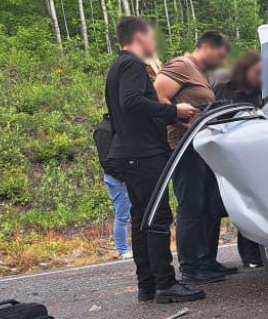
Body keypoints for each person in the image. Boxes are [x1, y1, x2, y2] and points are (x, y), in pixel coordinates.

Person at [103, 16, 203, 303]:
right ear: (139, 37)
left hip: (128, 154)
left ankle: (147, 285)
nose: (154, 42)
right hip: (144, 154)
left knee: (141, 219)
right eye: (151, 36)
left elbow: (126, 103)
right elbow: (131, 101)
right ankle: (165, 284)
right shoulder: (132, 65)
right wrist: (174, 112)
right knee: (158, 219)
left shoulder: (116, 67)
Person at [156, 31, 233, 285]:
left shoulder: (200, 73)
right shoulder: (182, 65)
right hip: (183, 148)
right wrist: (178, 120)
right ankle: (190, 266)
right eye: (219, 56)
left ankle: (207, 260)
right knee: (190, 206)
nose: (220, 62)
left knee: (208, 204)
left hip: (201, 147)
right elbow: (158, 94)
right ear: (208, 47)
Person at [214, 50, 264, 268]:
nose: (261, 76)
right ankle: (249, 254)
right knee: (241, 203)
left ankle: (255, 251)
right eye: (257, 72)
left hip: (256, 152)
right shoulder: (225, 90)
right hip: (231, 153)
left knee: (257, 203)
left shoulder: (260, 91)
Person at [92, 113, 132, 260]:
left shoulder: (118, 126)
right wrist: (123, 176)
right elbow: (106, 160)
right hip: (117, 179)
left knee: (133, 214)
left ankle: (128, 247)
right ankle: (122, 249)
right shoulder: (103, 130)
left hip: (126, 176)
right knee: (122, 215)